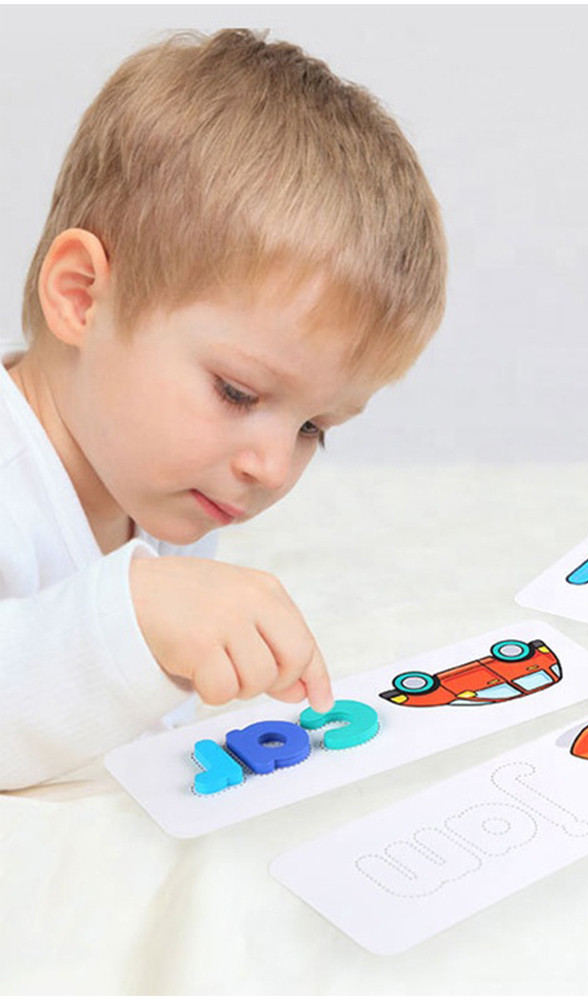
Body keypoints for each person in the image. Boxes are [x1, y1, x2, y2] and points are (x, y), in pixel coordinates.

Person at [0, 28, 447, 789]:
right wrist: (136, 617)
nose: (272, 468)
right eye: (237, 392)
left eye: (313, 429)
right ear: (81, 298)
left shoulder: (158, 484)